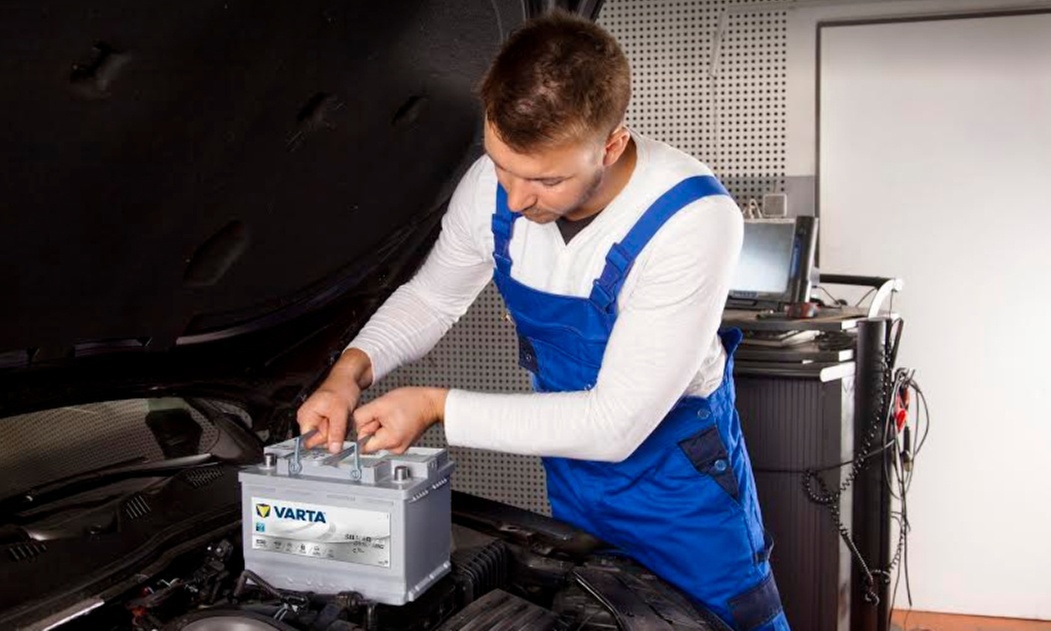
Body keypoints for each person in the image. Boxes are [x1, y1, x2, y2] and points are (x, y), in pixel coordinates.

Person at [297, 10, 789, 631]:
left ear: (610, 145)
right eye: (501, 164)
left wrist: (433, 405)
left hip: (679, 487)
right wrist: (350, 371)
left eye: (545, 179)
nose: (514, 197)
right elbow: (433, 299)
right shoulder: (494, 185)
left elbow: (614, 425)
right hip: (574, 473)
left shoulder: (691, 221)